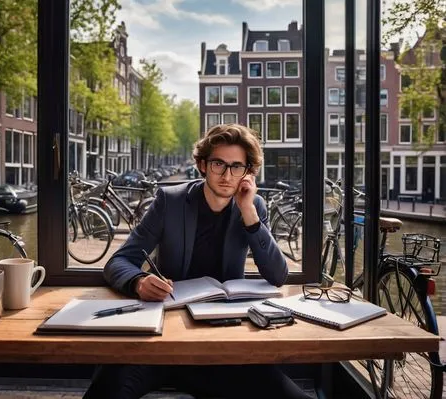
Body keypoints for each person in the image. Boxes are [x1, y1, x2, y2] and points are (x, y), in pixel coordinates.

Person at [84, 124, 312, 399]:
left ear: (248, 173)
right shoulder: (169, 201)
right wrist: (139, 281)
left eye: (237, 167)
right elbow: (119, 261)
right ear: (203, 165)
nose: (227, 175)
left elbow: (278, 275)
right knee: (107, 390)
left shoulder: (253, 206)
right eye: (219, 164)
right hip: (162, 339)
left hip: (224, 341)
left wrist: (248, 212)